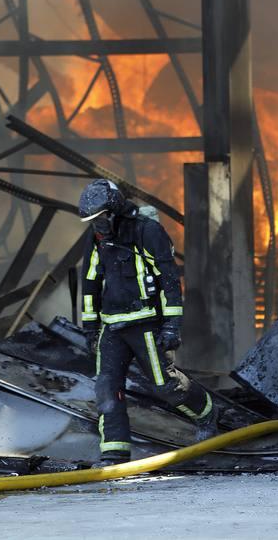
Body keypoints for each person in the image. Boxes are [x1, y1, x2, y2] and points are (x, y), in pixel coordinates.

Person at [79, 178, 217, 465]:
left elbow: (169, 280)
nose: (98, 226)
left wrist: (171, 325)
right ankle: (114, 454)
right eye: (93, 221)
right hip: (112, 326)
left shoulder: (147, 231)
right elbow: (90, 282)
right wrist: (90, 328)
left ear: (115, 210)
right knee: (106, 389)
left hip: (146, 324)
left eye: (101, 218)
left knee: (165, 384)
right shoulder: (96, 238)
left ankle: (207, 413)